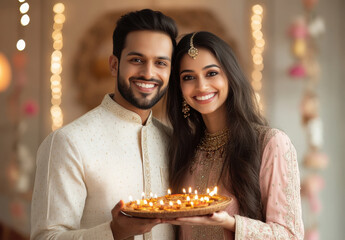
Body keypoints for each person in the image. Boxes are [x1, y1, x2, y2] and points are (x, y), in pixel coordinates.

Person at [31, 9, 178, 240]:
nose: (148, 73)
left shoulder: (174, 141)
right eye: (137, 60)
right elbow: (45, 237)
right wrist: (114, 232)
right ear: (113, 64)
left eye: (161, 63)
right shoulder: (69, 142)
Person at [165, 31, 304, 239]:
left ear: (230, 76)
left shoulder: (270, 143)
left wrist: (228, 223)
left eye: (211, 73)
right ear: (180, 88)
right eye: (188, 77)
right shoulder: (183, 149)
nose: (201, 86)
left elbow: (290, 235)